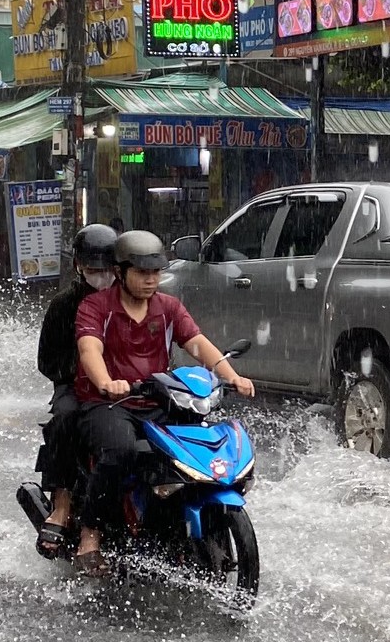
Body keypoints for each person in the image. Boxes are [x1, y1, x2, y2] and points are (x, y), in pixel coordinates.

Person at [70, 230, 254, 577]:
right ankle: (90, 533)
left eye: (155, 272)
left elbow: (198, 344)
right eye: (142, 272)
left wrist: (232, 376)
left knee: (193, 452)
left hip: (158, 400)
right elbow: (89, 349)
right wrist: (106, 382)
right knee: (121, 450)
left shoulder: (168, 308)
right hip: (108, 404)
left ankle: (176, 524)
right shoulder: (95, 307)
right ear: (120, 272)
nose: (150, 280)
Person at [32, 224, 119, 558]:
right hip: (75, 387)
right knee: (66, 418)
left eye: (108, 270)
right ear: (79, 267)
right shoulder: (63, 305)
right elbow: (47, 361)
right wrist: (83, 374)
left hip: (125, 386)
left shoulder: (128, 299)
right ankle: (63, 504)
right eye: (94, 271)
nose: (102, 277)